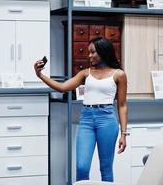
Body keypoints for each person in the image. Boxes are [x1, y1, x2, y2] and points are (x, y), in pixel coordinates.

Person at [34, 37, 128, 182]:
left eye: (92, 52)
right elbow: (63, 87)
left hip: (107, 120)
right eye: (88, 52)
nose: (89, 55)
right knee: (82, 167)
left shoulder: (119, 74)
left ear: (103, 52)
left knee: (106, 167)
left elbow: (122, 105)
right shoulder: (85, 73)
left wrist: (123, 133)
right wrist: (40, 75)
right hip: (86, 119)